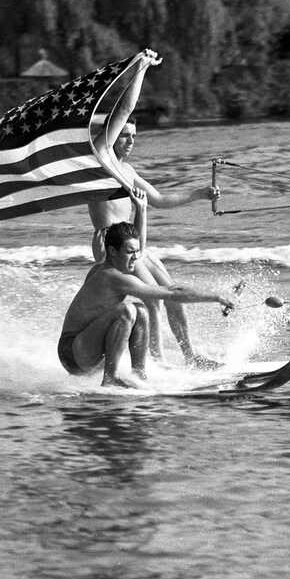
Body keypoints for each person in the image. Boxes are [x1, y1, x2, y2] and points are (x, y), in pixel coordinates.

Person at [90, 51, 219, 366]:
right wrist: (140, 69)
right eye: (124, 135)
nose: (130, 141)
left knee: (170, 293)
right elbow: (125, 107)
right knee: (152, 298)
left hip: (134, 239)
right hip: (112, 244)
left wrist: (199, 194)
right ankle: (157, 360)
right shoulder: (102, 162)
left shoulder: (129, 171)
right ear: (110, 137)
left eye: (134, 136)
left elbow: (158, 200)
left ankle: (191, 357)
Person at [58, 219, 238, 388]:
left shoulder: (107, 268)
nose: (136, 257)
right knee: (127, 311)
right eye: (130, 252)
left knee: (141, 310)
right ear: (113, 251)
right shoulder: (111, 276)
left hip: (88, 350)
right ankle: (110, 378)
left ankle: (139, 374)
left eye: (136, 251)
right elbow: (173, 293)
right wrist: (217, 297)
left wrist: (140, 207)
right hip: (73, 354)